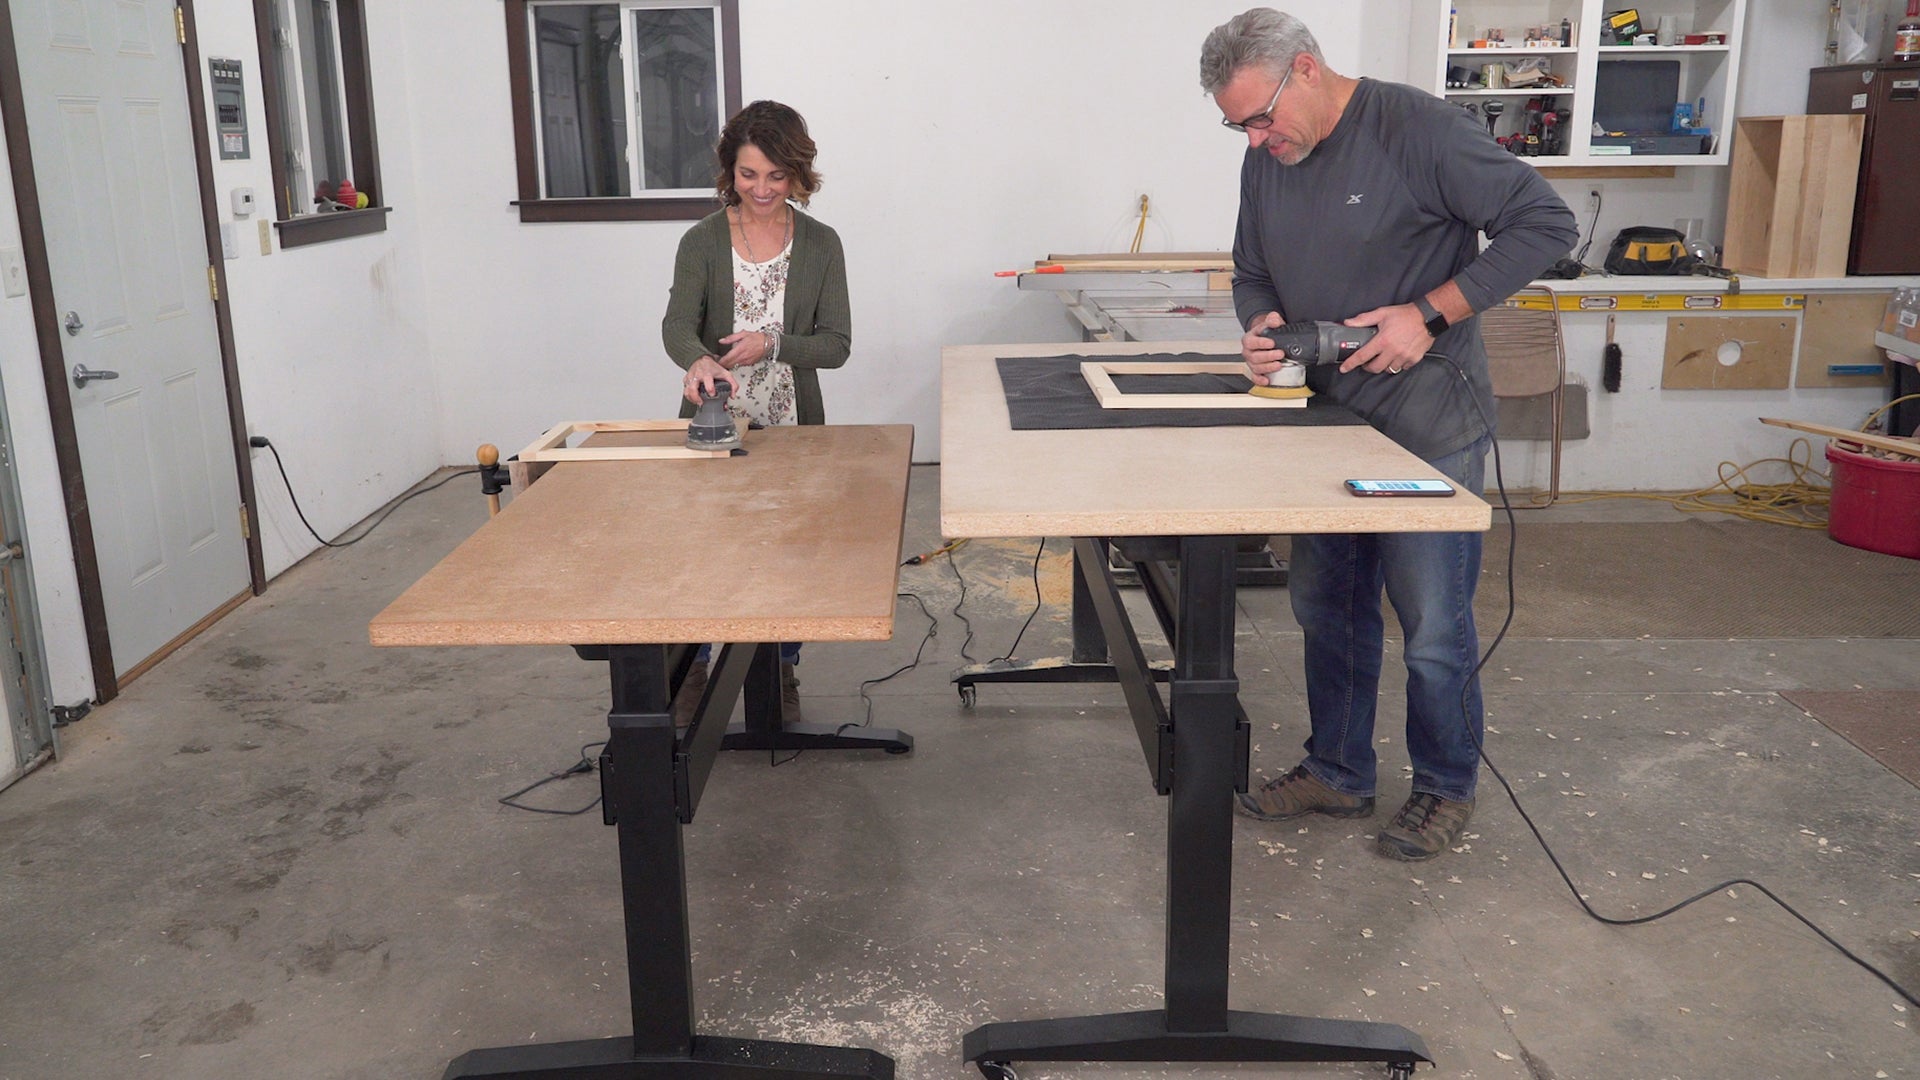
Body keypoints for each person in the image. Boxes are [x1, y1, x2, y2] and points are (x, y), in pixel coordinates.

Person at [1200, 9, 1576, 860]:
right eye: (1237, 125)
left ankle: (1445, 786)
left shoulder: (1417, 129)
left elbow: (1547, 226)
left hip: (1426, 426)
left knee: (1432, 622)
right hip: (1328, 424)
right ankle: (1337, 769)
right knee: (1325, 605)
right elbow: (1251, 267)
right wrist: (1260, 322)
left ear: (1304, 69)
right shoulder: (1269, 161)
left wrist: (1429, 314)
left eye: (1259, 117)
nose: (1255, 139)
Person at [662, 99, 850, 726]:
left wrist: (772, 344)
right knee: (708, 551)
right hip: (717, 424)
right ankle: (694, 665)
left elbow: (837, 345)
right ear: (729, 173)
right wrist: (698, 362)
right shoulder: (702, 240)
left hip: (793, 425)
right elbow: (676, 327)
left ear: (798, 173)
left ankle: (779, 668)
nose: (762, 189)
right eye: (748, 175)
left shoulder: (822, 244)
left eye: (776, 175)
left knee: (788, 552)